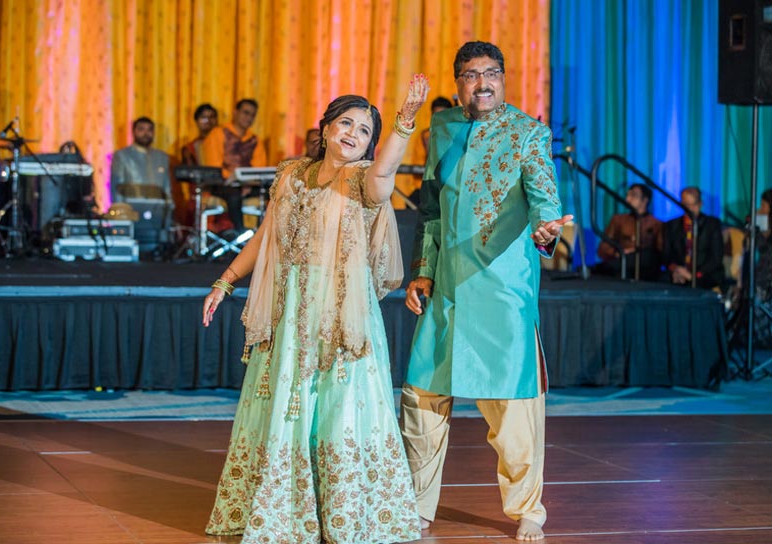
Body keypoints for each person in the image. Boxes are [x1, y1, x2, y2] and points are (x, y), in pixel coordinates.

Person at [201, 77, 430, 543]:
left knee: (338, 409)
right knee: (289, 409)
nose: (352, 133)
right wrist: (224, 283)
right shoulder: (290, 175)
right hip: (288, 315)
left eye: (364, 130)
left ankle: (344, 515)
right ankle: (286, 510)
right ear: (325, 127)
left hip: (341, 314)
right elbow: (265, 239)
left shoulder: (364, 181)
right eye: (345, 122)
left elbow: (386, 171)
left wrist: (406, 118)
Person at [400, 41, 571, 542]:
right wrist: (423, 269)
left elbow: (545, 199)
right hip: (449, 288)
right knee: (421, 398)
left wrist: (547, 230)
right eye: (471, 75)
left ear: (504, 77)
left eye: (490, 73)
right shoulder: (443, 127)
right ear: (458, 83)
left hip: (502, 291)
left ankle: (528, 510)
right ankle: (417, 506)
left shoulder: (528, 133)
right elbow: (430, 206)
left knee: (513, 412)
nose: (482, 83)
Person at [203, 98, 268, 230]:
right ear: (235, 113)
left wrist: (248, 184)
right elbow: (214, 168)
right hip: (222, 184)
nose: (249, 118)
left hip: (248, 186)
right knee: (234, 195)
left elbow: (260, 169)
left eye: (252, 115)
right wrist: (238, 182)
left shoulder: (255, 140)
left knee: (276, 193)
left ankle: (265, 238)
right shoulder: (218, 134)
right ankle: (240, 237)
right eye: (246, 113)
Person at [596, 183, 664, 280]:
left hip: (645, 267)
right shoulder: (618, 220)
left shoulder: (656, 223)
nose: (628, 199)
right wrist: (618, 252)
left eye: (633, 195)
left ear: (645, 200)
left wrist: (637, 251)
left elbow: (660, 251)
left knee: (645, 258)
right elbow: (603, 247)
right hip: (620, 262)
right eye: (628, 195)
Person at [663, 186, 725, 290]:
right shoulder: (672, 225)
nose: (691, 209)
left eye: (694, 205)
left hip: (705, 273)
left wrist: (694, 274)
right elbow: (666, 255)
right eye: (687, 205)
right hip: (680, 272)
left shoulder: (712, 224)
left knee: (699, 283)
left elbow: (716, 258)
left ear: (700, 204)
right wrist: (676, 269)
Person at [110, 117, 171, 203]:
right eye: (141, 129)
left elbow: (167, 188)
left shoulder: (162, 157)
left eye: (149, 130)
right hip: (130, 209)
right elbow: (117, 188)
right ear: (134, 132)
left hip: (157, 210)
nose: (146, 133)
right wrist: (120, 212)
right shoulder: (122, 156)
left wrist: (168, 212)